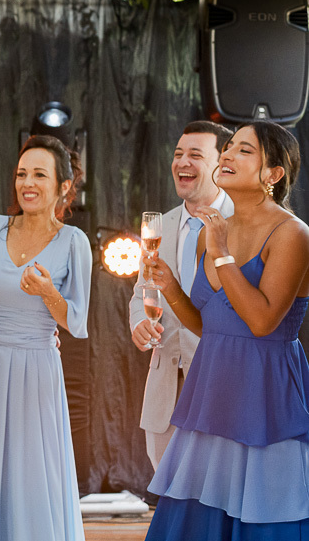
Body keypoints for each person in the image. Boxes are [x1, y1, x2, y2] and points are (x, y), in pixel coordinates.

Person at [144, 121, 309, 539]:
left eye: (244, 151)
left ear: (274, 174)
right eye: (230, 147)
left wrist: (220, 255)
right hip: (212, 392)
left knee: (265, 517)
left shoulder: (293, 234)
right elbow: (208, 325)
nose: (229, 155)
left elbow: (261, 321)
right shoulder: (211, 233)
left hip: (265, 395)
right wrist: (170, 287)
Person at [0, 135, 90, 541]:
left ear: (63, 186)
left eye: (39, 175)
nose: (27, 183)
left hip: (37, 368)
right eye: (21, 174)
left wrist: (50, 293)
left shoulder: (73, 242)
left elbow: (78, 324)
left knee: (35, 473)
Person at [128, 121, 234, 469]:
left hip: (223, 388)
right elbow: (142, 290)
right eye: (177, 154)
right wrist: (141, 321)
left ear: (222, 163)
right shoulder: (158, 226)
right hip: (165, 390)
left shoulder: (242, 225)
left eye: (195, 155)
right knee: (170, 496)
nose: (182, 162)